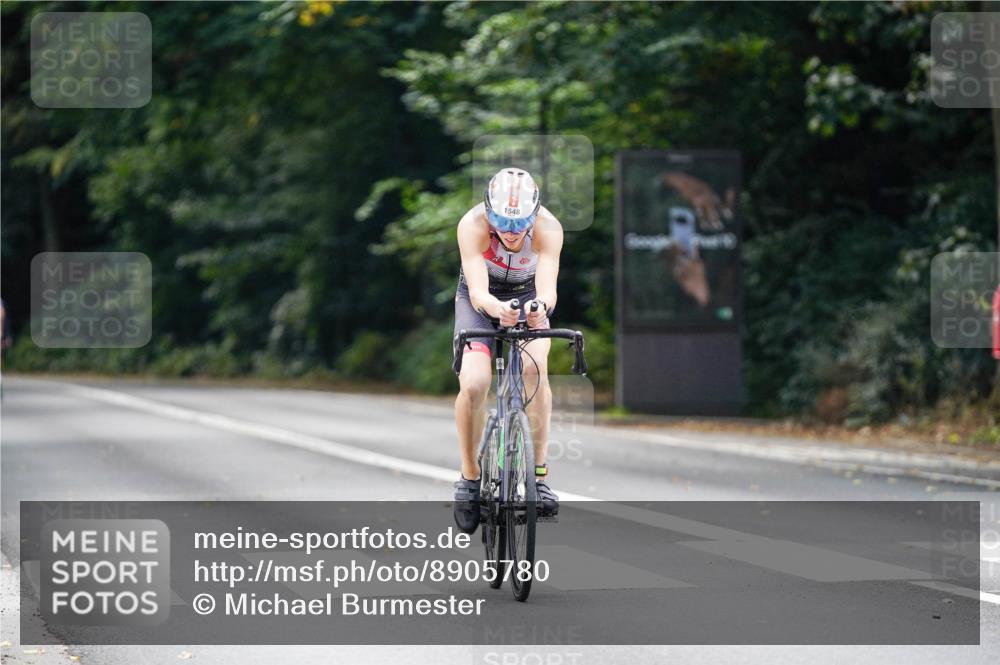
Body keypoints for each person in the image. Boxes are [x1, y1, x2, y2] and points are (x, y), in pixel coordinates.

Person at [452, 167, 564, 534]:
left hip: (529, 296)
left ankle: (540, 474)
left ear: (535, 215)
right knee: (474, 383)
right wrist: (495, 309)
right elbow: (479, 290)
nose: (512, 232)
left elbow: (548, 288)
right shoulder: (472, 225)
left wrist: (540, 309)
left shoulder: (548, 227)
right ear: (488, 211)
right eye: (501, 221)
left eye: (520, 224)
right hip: (478, 299)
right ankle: (470, 478)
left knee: (535, 371)